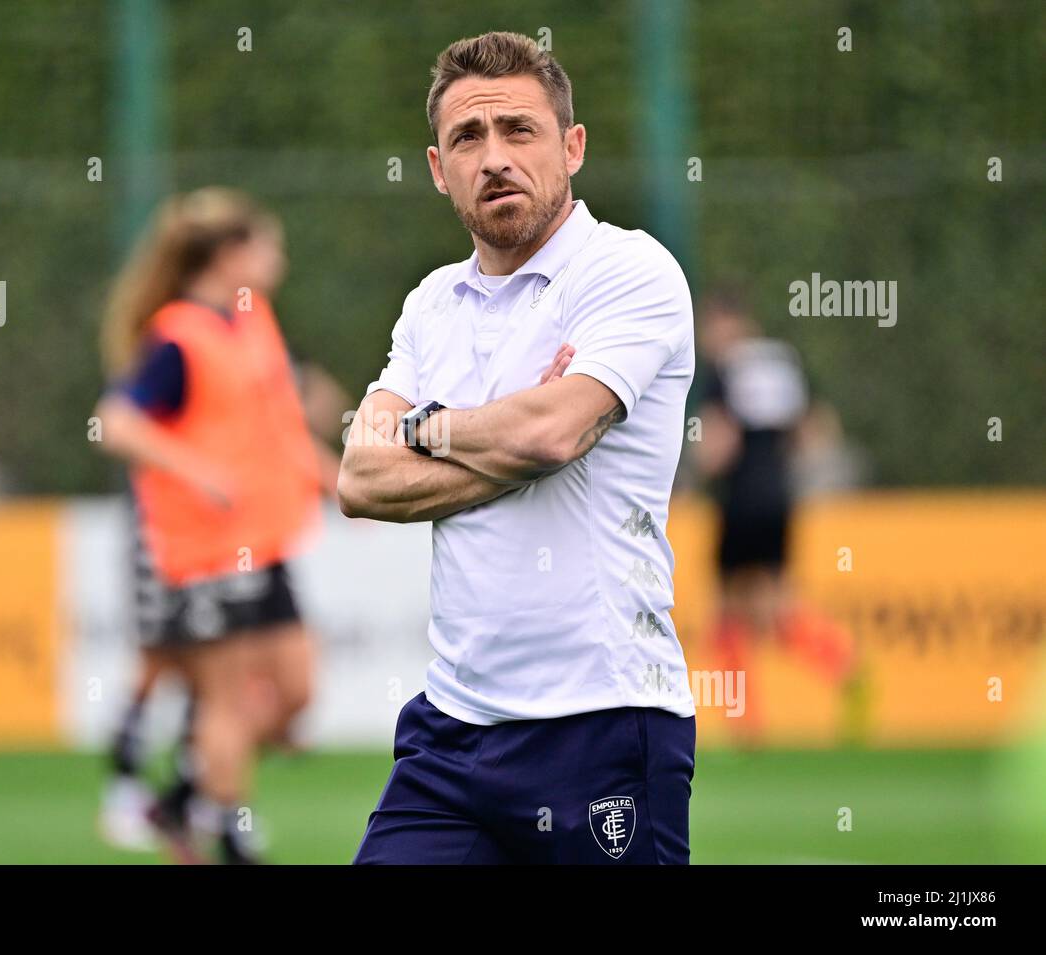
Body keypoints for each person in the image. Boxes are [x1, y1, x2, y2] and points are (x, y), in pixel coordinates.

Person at [339, 32, 696, 864]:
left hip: (603, 722)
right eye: (469, 137)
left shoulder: (630, 270)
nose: (494, 156)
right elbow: (359, 477)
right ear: (437, 167)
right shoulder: (431, 302)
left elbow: (553, 429)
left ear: (572, 146)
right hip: (452, 735)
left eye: (519, 130)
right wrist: (520, 437)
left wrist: (428, 427)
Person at [93, 188, 324, 864]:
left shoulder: (253, 321)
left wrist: (332, 477)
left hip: (267, 536)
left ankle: (181, 797)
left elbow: (276, 426)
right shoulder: (176, 335)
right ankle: (225, 829)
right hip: (206, 546)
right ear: (230, 254)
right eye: (266, 244)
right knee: (223, 699)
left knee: (294, 695)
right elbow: (116, 422)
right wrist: (197, 472)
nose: (277, 258)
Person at [693, 287, 858, 744]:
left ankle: (745, 723)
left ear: (727, 324)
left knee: (727, 610)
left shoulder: (724, 370)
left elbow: (717, 448)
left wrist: (691, 468)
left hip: (739, 501)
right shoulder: (782, 361)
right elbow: (817, 429)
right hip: (780, 499)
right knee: (777, 608)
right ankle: (845, 666)